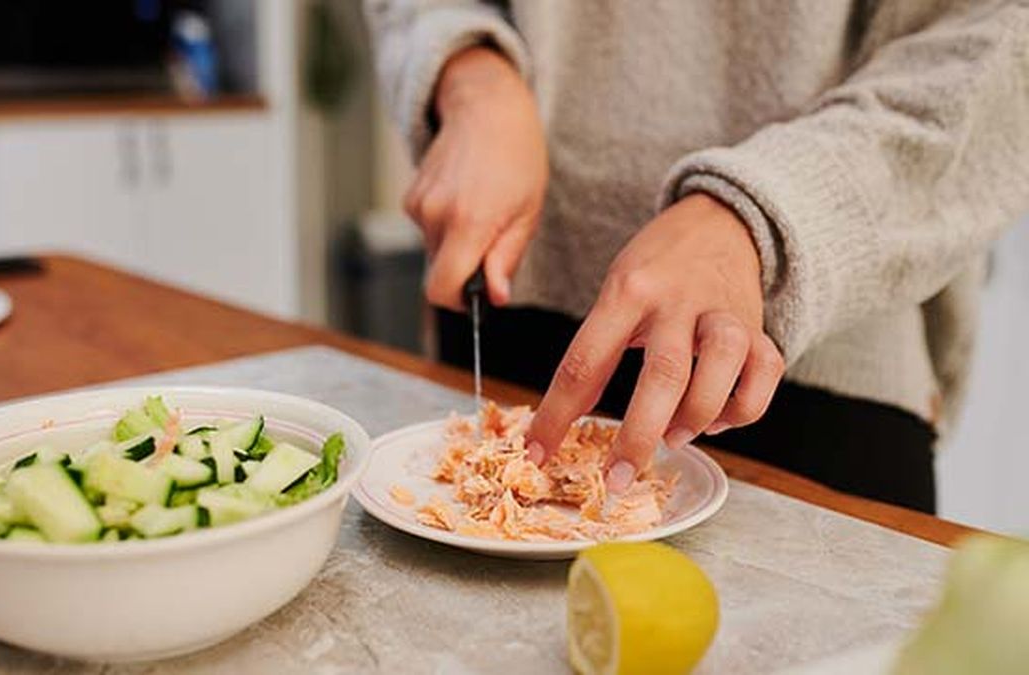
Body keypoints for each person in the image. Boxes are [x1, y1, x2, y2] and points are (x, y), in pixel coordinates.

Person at [364, 0, 1029, 513]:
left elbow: (1000, 42)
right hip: (510, 282)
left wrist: (759, 212)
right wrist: (470, 72)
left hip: (820, 351)